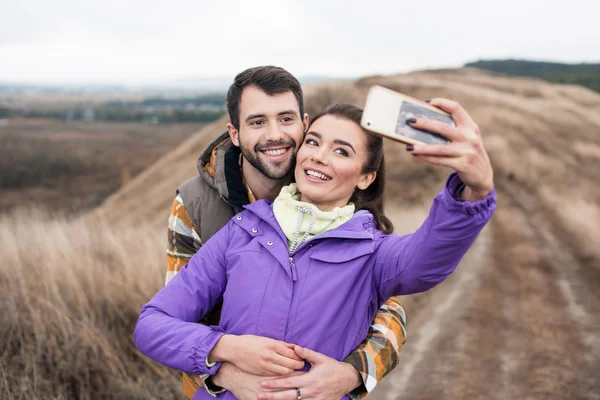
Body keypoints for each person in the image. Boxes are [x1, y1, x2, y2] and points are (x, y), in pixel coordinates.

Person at [136, 100, 496, 400]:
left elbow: (429, 259)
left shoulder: (375, 255)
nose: (319, 157)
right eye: (313, 142)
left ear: (365, 177)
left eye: (341, 151)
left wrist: (474, 191)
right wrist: (226, 352)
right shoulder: (242, 230)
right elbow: (152, 325)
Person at [165, 66, 407, 400]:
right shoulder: (193, 205)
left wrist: (354, 373)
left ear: (305, 123)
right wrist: (226, 375)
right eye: (257, 122)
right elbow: (174, 319)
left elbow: (388, 308)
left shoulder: (330, 187)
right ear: (234, 133)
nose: (275, 134)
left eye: (286, 119)